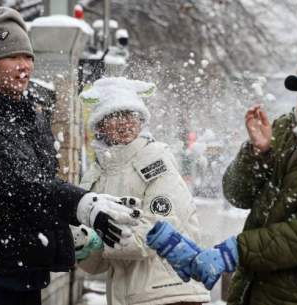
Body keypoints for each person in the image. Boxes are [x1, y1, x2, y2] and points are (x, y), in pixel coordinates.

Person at [0, 7, 139, 305]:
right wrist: (83, 204)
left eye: (28, 57)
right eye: (13, 57)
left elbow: (38, 191)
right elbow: (27, 185)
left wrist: (69, 232)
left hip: (22, 271)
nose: (25, 66)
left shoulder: (32, 118)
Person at [146, 52, 297, 305]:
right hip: (256, 290)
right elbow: (237, 194)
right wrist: (259, 153)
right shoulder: (286, 132)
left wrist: (236, 251)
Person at [72, 77, 210, 305]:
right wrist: (83, 243)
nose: (125, 123)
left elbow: (155, 235)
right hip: (128, 297)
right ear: (100, 126)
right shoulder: (96, 176)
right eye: (115, 116)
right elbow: (98, 264)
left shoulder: (156, 160)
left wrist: (101, 238)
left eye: (132, 115)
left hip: (171, 295)